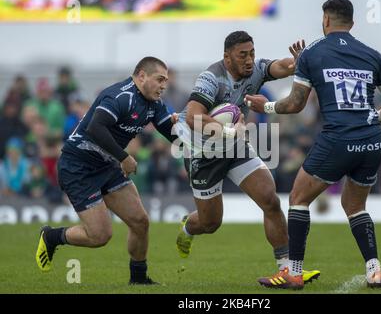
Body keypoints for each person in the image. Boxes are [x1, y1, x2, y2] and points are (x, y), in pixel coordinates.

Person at [246, 0, 381, 289]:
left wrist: (265, 107)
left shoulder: (312, 53)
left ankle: (293, 272)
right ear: (352, 23)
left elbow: (294, 104)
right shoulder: (372, 54)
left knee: (298, 198)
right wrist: (378, 119)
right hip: (371, 140)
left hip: (338, 138)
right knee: (354, 205)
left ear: (326, 20)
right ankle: (375, 271)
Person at [174, 30, 320, 283]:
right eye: (243, 55)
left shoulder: (255, 69)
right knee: (210, 223)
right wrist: (230, 130)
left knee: (270, 199)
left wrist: (298, 63)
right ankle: (188, 227)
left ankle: (287, 270)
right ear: (227, 57)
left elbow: (282, 66)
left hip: (234, 144)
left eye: (252, 53)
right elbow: (193, 116)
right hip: (202, 151)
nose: (249, 60)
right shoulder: (211, 78)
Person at [35, 57, 178, 285]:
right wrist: (124, 157)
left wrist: (196, 127)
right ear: (141, 75)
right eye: (159, 79)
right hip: (78, 166)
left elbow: (174, 135)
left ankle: (139, 280)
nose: (164, 86)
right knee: (100, 236)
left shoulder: (154, 103)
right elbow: (95, 128)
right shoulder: (120, 96)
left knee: (140, 222)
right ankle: (52, 236)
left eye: (166, 81)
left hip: (107, 164)